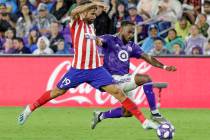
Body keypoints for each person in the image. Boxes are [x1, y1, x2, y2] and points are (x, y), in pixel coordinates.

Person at [18, 0, 157, 130]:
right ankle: (29, 109)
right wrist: (92, 5)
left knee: (118, 92)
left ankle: (144, 122)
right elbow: (75, 11)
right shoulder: (75, 22)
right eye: (92, 13)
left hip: (96, 69)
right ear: (83, 12)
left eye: (95, 14)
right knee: (58, 91)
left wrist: (98, 6)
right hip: (78, 70)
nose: (94, 16)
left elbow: (98, 10)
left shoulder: (91, 25)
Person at [91, 21, 177, 129]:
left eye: (133, 33)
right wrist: (94, 38)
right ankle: (155, 113)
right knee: (146, 79)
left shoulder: (131, 45)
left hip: (124, 79)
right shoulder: (110, 39)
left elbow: (148, 57)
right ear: (121, 29)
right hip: (112, 79)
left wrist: (164, 67)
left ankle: (100, 115)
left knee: (128, 112)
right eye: (129, 32)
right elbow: (99, 41)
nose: (131, 35)